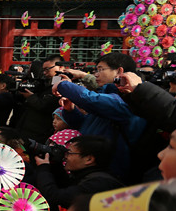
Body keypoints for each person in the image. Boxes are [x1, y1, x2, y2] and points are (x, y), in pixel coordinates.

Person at [54, 52, 147, 181]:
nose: (96, 74)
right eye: (96, 70)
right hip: (92, 168)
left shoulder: (129, 98)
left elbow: (90, 99)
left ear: (119, 71)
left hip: (111, 171)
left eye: (101, 69)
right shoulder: (107, 94)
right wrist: (70, 111)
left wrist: (63, 85)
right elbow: (86, 125)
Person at [33, 134, 123, 211]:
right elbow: (65, 187)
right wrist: (56, 165)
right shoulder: (90, 176)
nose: (65, 157)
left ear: (89, 159)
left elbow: (55, 196)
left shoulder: (99, 184)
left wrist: (43, 168)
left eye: (69, 153)